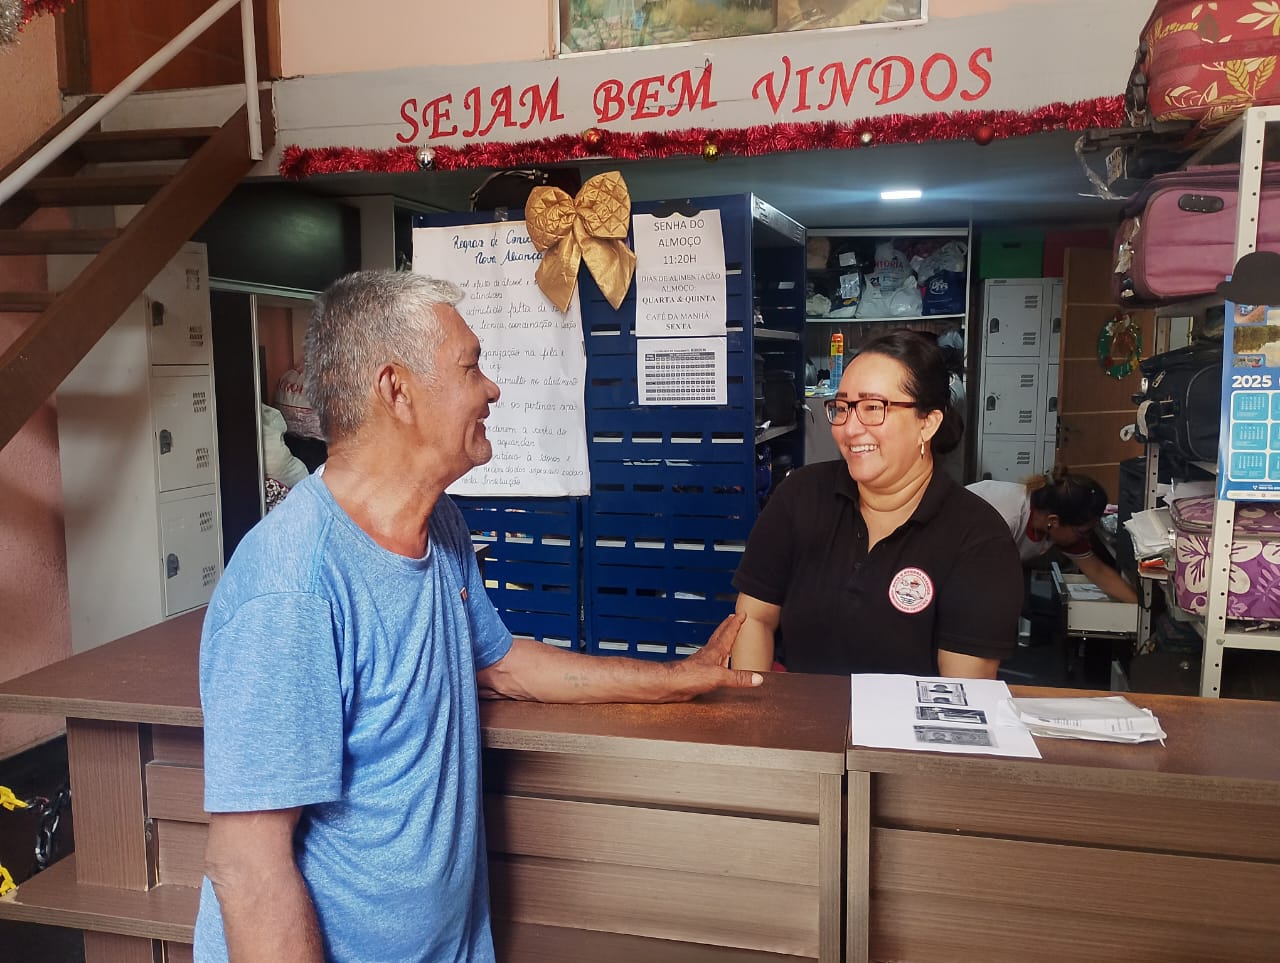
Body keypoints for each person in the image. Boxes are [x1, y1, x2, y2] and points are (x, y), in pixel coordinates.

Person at [195, 271, 762, 963]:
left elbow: (502, 664)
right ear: (397, 390)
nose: (490, 388)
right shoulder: (293, 588)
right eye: (470, 366)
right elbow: (247, 866)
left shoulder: (441, 525)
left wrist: (673, 680)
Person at [730, 330, 1024, 678]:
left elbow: (962, 691)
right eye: (842, 408)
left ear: (927, 423)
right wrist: (756, 704)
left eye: (873, 408)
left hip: (911, 716)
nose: (849, 428)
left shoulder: (978, 539)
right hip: (799, 711)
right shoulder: (800, 496)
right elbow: (754, 618)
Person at [967, 470, 1139, 604]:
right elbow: (975, 581)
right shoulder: (1004, 521)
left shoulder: (1053, 519)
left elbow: (1098, 571)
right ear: (1053, 521)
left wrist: (1142, 610)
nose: (1086, 539)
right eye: (1082, 532)